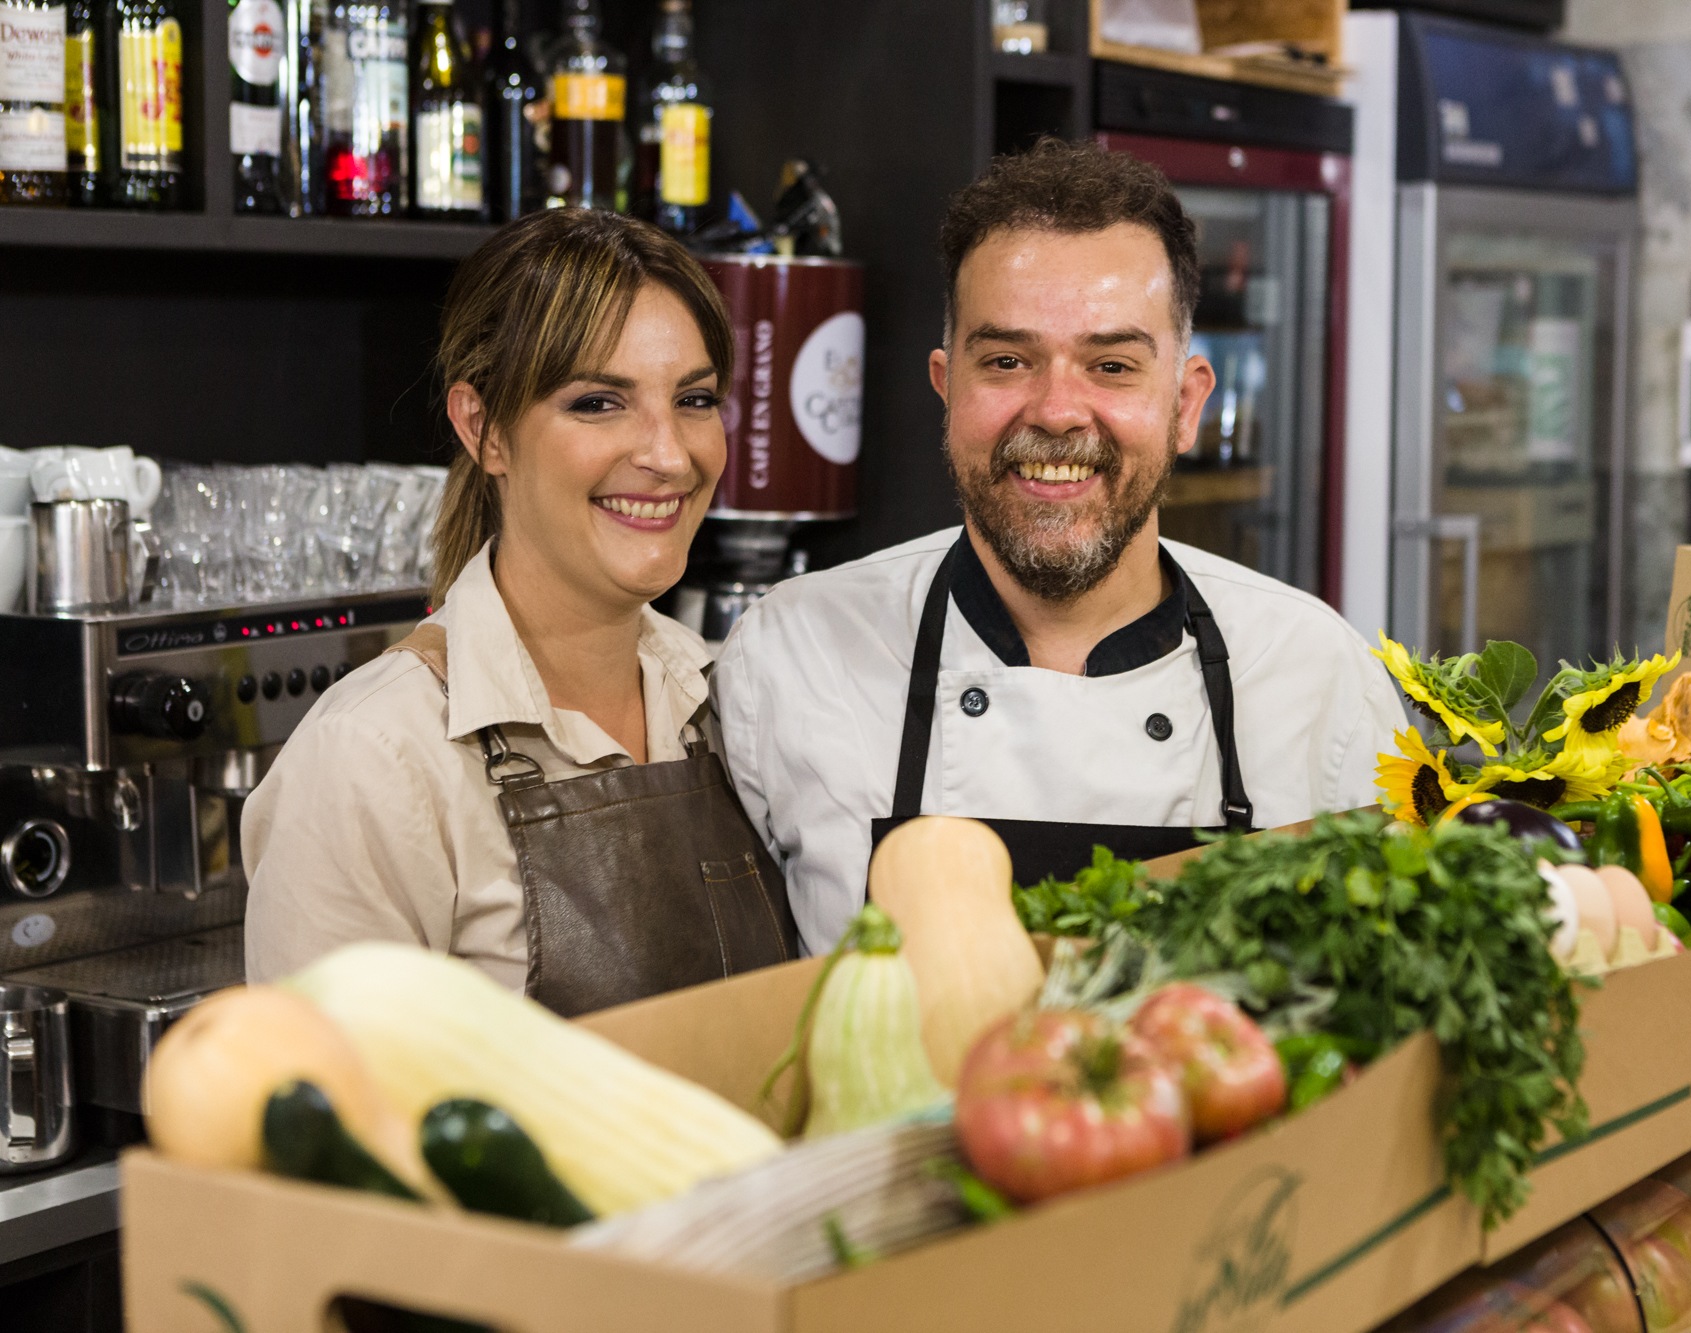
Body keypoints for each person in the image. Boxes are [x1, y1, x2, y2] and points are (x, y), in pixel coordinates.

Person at [714, 141, 1403, 954]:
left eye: (1111, 365)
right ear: (947, 388)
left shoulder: (1316, 673)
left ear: (1186, 406)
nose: (1056, 411)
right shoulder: (790, 658)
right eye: (1007, 360)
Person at [243, 209, 795, 1012]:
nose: (670, 454)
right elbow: (327, 1123)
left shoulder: (731, 700)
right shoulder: (373, 759)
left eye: (695, 398)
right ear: (485, 429)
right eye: (600, 402)